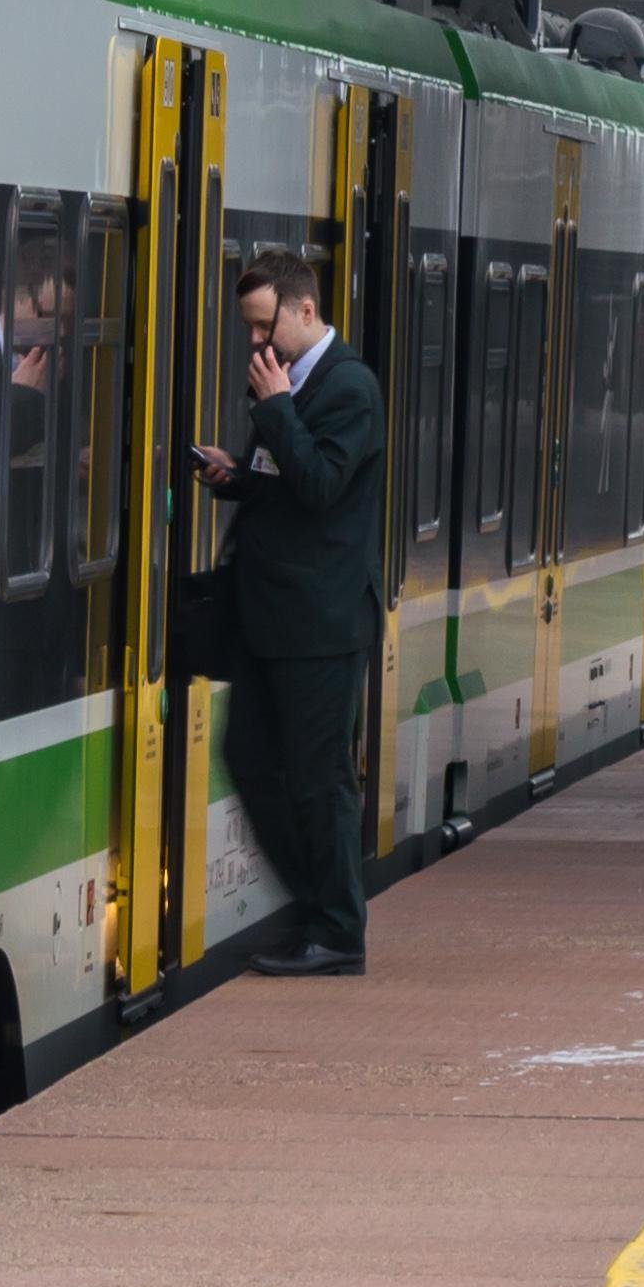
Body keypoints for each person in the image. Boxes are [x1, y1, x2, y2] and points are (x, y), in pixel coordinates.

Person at [185, 247, 389, 976]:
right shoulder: (296, 383)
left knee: (318, 777)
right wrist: (235, 476)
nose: (255, 345)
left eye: (264, 327)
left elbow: (322, 485)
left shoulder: (348, 389)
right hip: (275, 621)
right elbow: (284, 482)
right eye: (248, 330)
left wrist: (274, 412)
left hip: (322, 627)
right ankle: (316, 905)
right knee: (248, 756)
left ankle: (338, 930)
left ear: (307, 311)